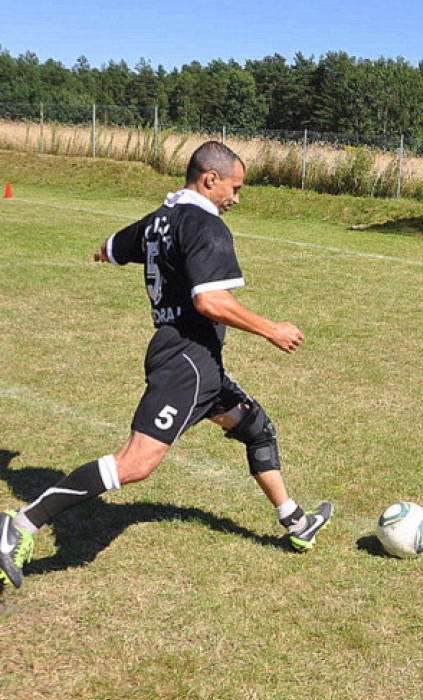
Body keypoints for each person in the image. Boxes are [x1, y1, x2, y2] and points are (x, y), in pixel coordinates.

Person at [0, 141, 331, 589]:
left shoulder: (161, 217)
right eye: (234, 187)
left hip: (198, 363)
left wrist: (102, 252)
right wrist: (270, 328)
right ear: (209, 179)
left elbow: (114, 246)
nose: (237, 198)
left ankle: (294, 521)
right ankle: (19, 526)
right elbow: (210, 300)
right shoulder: (204, 224)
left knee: (257, 427)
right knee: (135, 464)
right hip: (186, 361)